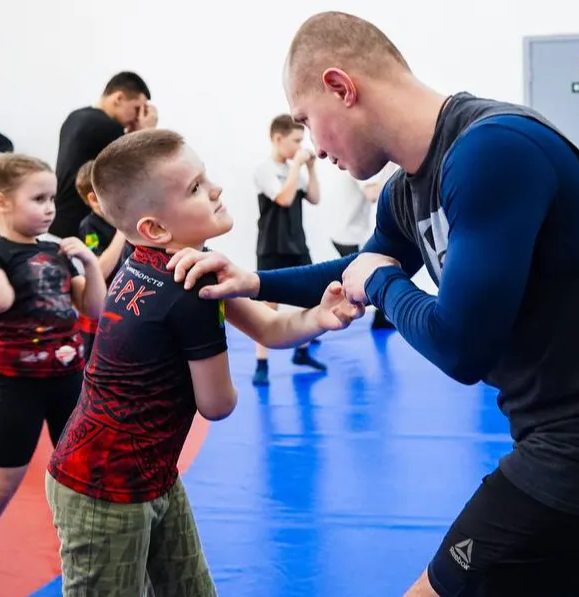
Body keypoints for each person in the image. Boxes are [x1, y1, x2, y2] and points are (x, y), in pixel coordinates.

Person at [166, 11, 579, 597]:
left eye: (308, 121)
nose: (316, 147)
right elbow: (358, 268)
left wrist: (383, 285)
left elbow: (461, 347)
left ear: (341, 87)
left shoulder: (494, 150)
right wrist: (252, 281)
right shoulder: (407, 188)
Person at [45, 128, 363, 597]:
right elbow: (217, 404)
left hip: (151, 472)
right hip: (102, 486)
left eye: (205, 177)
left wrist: (319, 316)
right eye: (195, 187)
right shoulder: (188, 290)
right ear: (155, 228)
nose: (215, 189)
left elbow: (270, 328)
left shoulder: (168, 259)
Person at [0, 153, 105, 597]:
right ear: (2, 202)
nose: (50, 208)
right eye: (38, 199)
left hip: (69, 382)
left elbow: (93, 307)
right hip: (18, 389)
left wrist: (89, 263)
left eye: (52, 198)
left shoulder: (55, 251)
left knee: (86, 483)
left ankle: (94, 570)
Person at [251, 114, 326, 385]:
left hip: (297, 244)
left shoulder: (295, 171)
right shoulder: (265, 169)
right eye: (295, 140)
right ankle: (261, 363)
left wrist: (311, 169)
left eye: (302, 140)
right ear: (277, 139)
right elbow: (283, 198)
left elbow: (314, 198)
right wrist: (296, 166)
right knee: (268, 307)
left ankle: (302, 352)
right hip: (272, 247)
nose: (300, 146)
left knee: (310, 298)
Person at [50, 71, 158, 239]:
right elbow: (140, 172)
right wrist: (147, 132)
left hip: (59, 219)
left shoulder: (76, 117)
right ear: (119, 98)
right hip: (83, 228)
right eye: (137, 109)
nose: (137, 117)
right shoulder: (107, 127)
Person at [73, 158, 132, 359]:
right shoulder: (90, 226)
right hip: (103, 307)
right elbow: (100, 269)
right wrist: (121, 231)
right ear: (94, 198)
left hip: (127, 299)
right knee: (97, 354)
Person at [330, 162, 396, 330]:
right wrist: (390, 166)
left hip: (354, 234)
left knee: (374, 272)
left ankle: (379, 317)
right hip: (347, 236)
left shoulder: (360, 169)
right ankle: (318, 319)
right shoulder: (356, 168)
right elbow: (373, 194)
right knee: (363, 277)